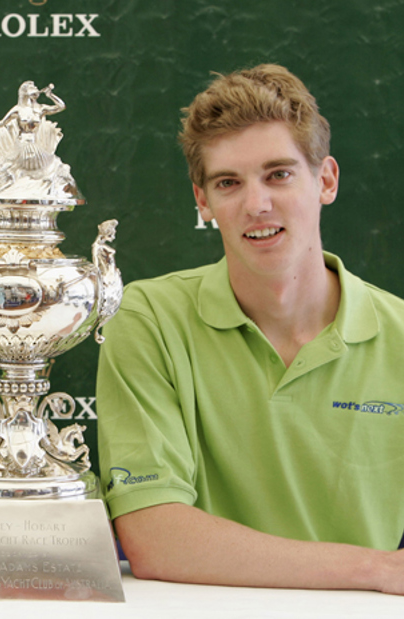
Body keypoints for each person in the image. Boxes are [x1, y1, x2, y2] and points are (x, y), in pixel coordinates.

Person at [97, 64, 404, 595]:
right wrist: (375, 568)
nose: (256, 204)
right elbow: (154, 536)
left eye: (279, 174)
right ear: (203, 200)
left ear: (325, 179)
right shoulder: (149, 318)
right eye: (228, 183)